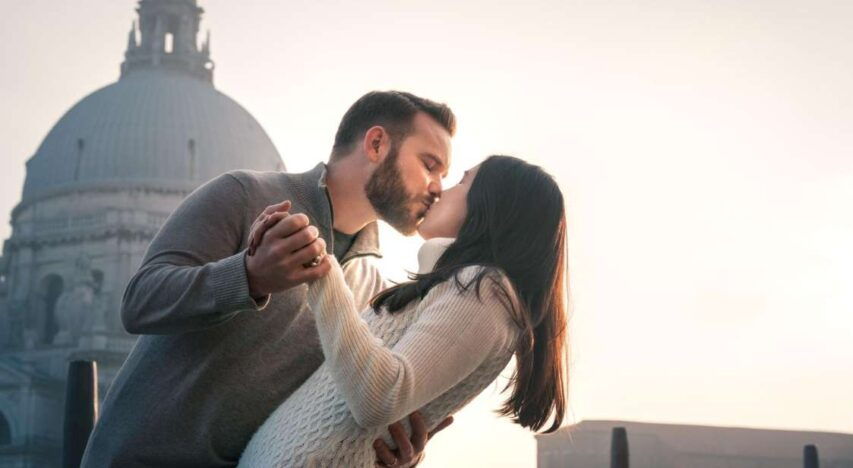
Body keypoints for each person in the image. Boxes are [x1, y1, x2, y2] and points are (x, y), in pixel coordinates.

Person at [81, 91, 456, 467]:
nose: (438, 187)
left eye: (444, 175)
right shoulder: (244, 194)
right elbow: (140, 302)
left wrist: (389, 456)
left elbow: (331, 415)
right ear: (376, 144)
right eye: (429, 165)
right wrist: (249, 276)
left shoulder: (373, 290)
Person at [237, 155, 569, 467]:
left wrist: (320, 268)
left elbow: (381, 399)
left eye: (462, 182)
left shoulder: (483, 290)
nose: (441, 190)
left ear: (492, 206)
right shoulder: (465, 287)